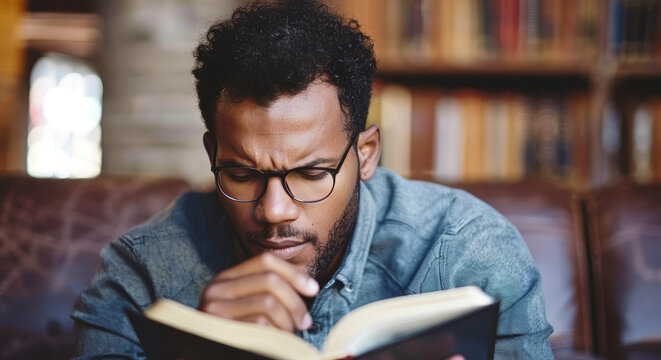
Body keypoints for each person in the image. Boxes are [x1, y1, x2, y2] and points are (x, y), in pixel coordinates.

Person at [71, 0, 553, 358]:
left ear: (365, 155)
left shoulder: (471, 255)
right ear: (212, 155)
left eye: (311, 173)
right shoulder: (141, 273)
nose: (274, 210)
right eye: (240, 174)